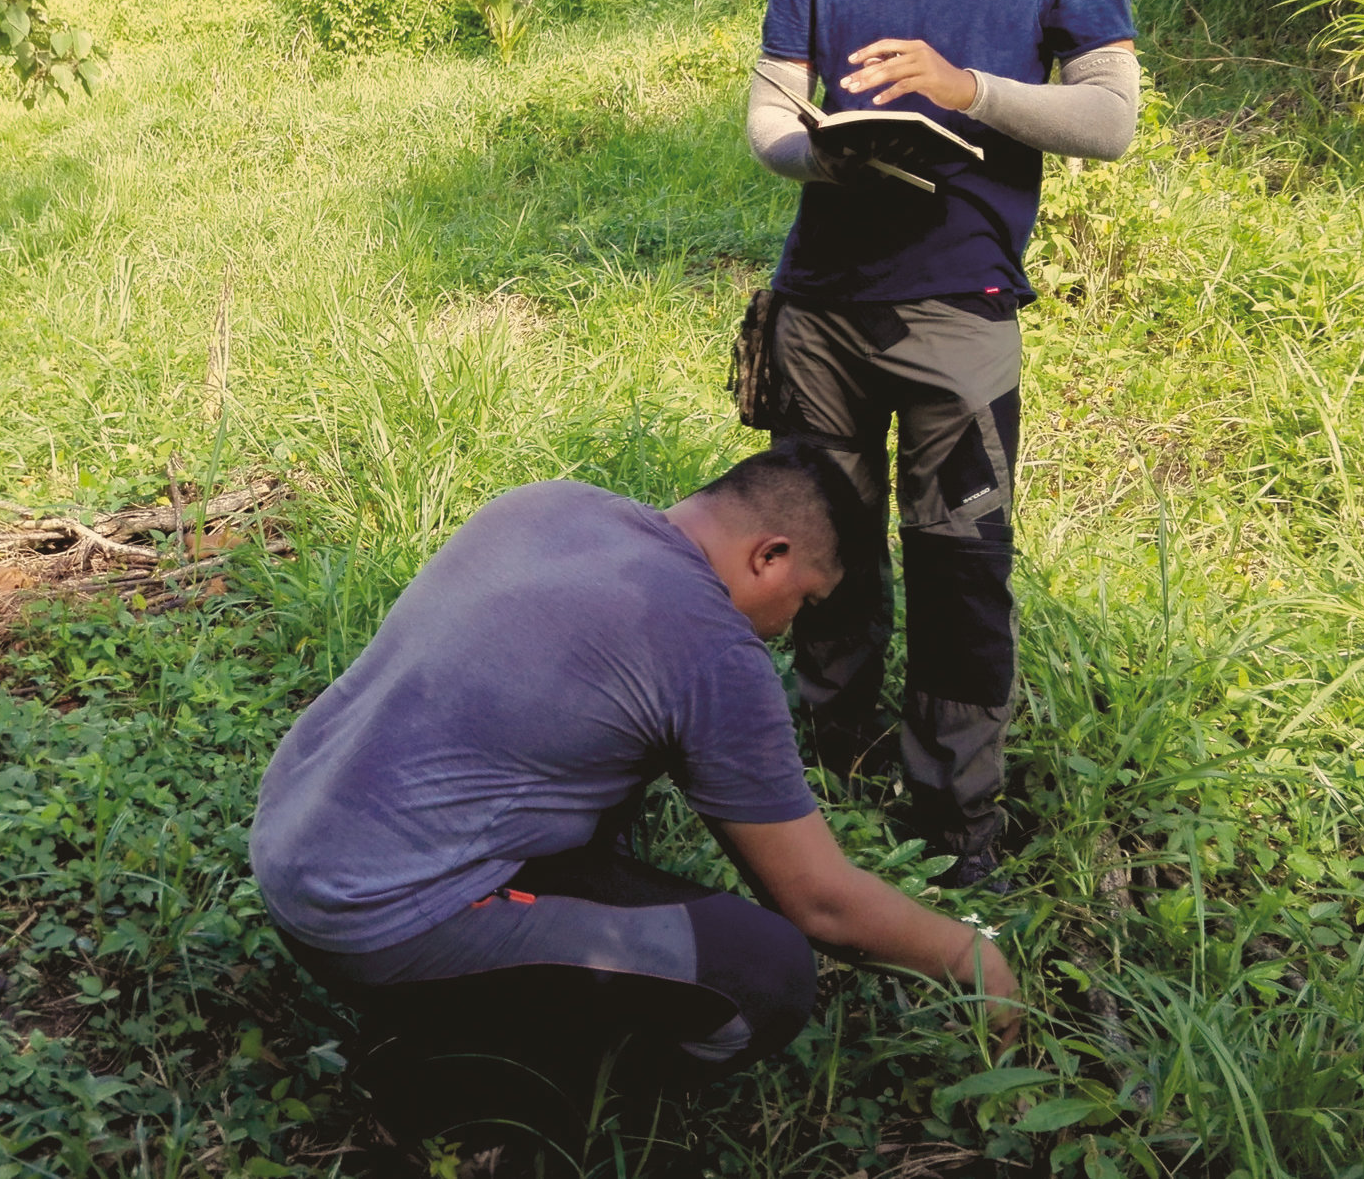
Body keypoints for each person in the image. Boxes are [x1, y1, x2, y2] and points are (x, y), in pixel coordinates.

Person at [250, 442, 1018, 1148]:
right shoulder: (709, 645)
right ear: (770, 556)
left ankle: (478, 1004)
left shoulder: (550, 503)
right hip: (374, 919)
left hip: (290, 845)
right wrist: (968, 955)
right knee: (765, 974)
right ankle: (490, 1088)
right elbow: (820, 904)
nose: (787, 629)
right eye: (805, 602)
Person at [743, 0, 1141, 890]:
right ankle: (831, 762)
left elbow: (1110, 117)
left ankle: (956, 819)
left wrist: (967, 90)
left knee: (960, 563)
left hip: (959, 307)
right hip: (820, 305)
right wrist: (822, 150)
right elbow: (768, 115)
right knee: (824, 546)